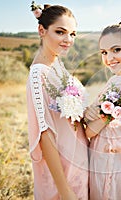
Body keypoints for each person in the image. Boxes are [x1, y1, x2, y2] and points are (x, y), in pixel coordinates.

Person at [26, 2, 88, 199]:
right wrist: (64, 190)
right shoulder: (39, 75)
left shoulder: (57, 65)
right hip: (63, 173)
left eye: (72, 34)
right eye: (60, 32)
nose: (68, 40)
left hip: (79, 164)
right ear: (41, 30)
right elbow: (44, 134)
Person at [84, 20, 121, 200]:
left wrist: (88, 119)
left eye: (116, 50)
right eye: (104, 52)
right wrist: (88, 112)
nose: (109, 58)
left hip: (108, 162)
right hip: (120, 161)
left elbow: (92, 130)